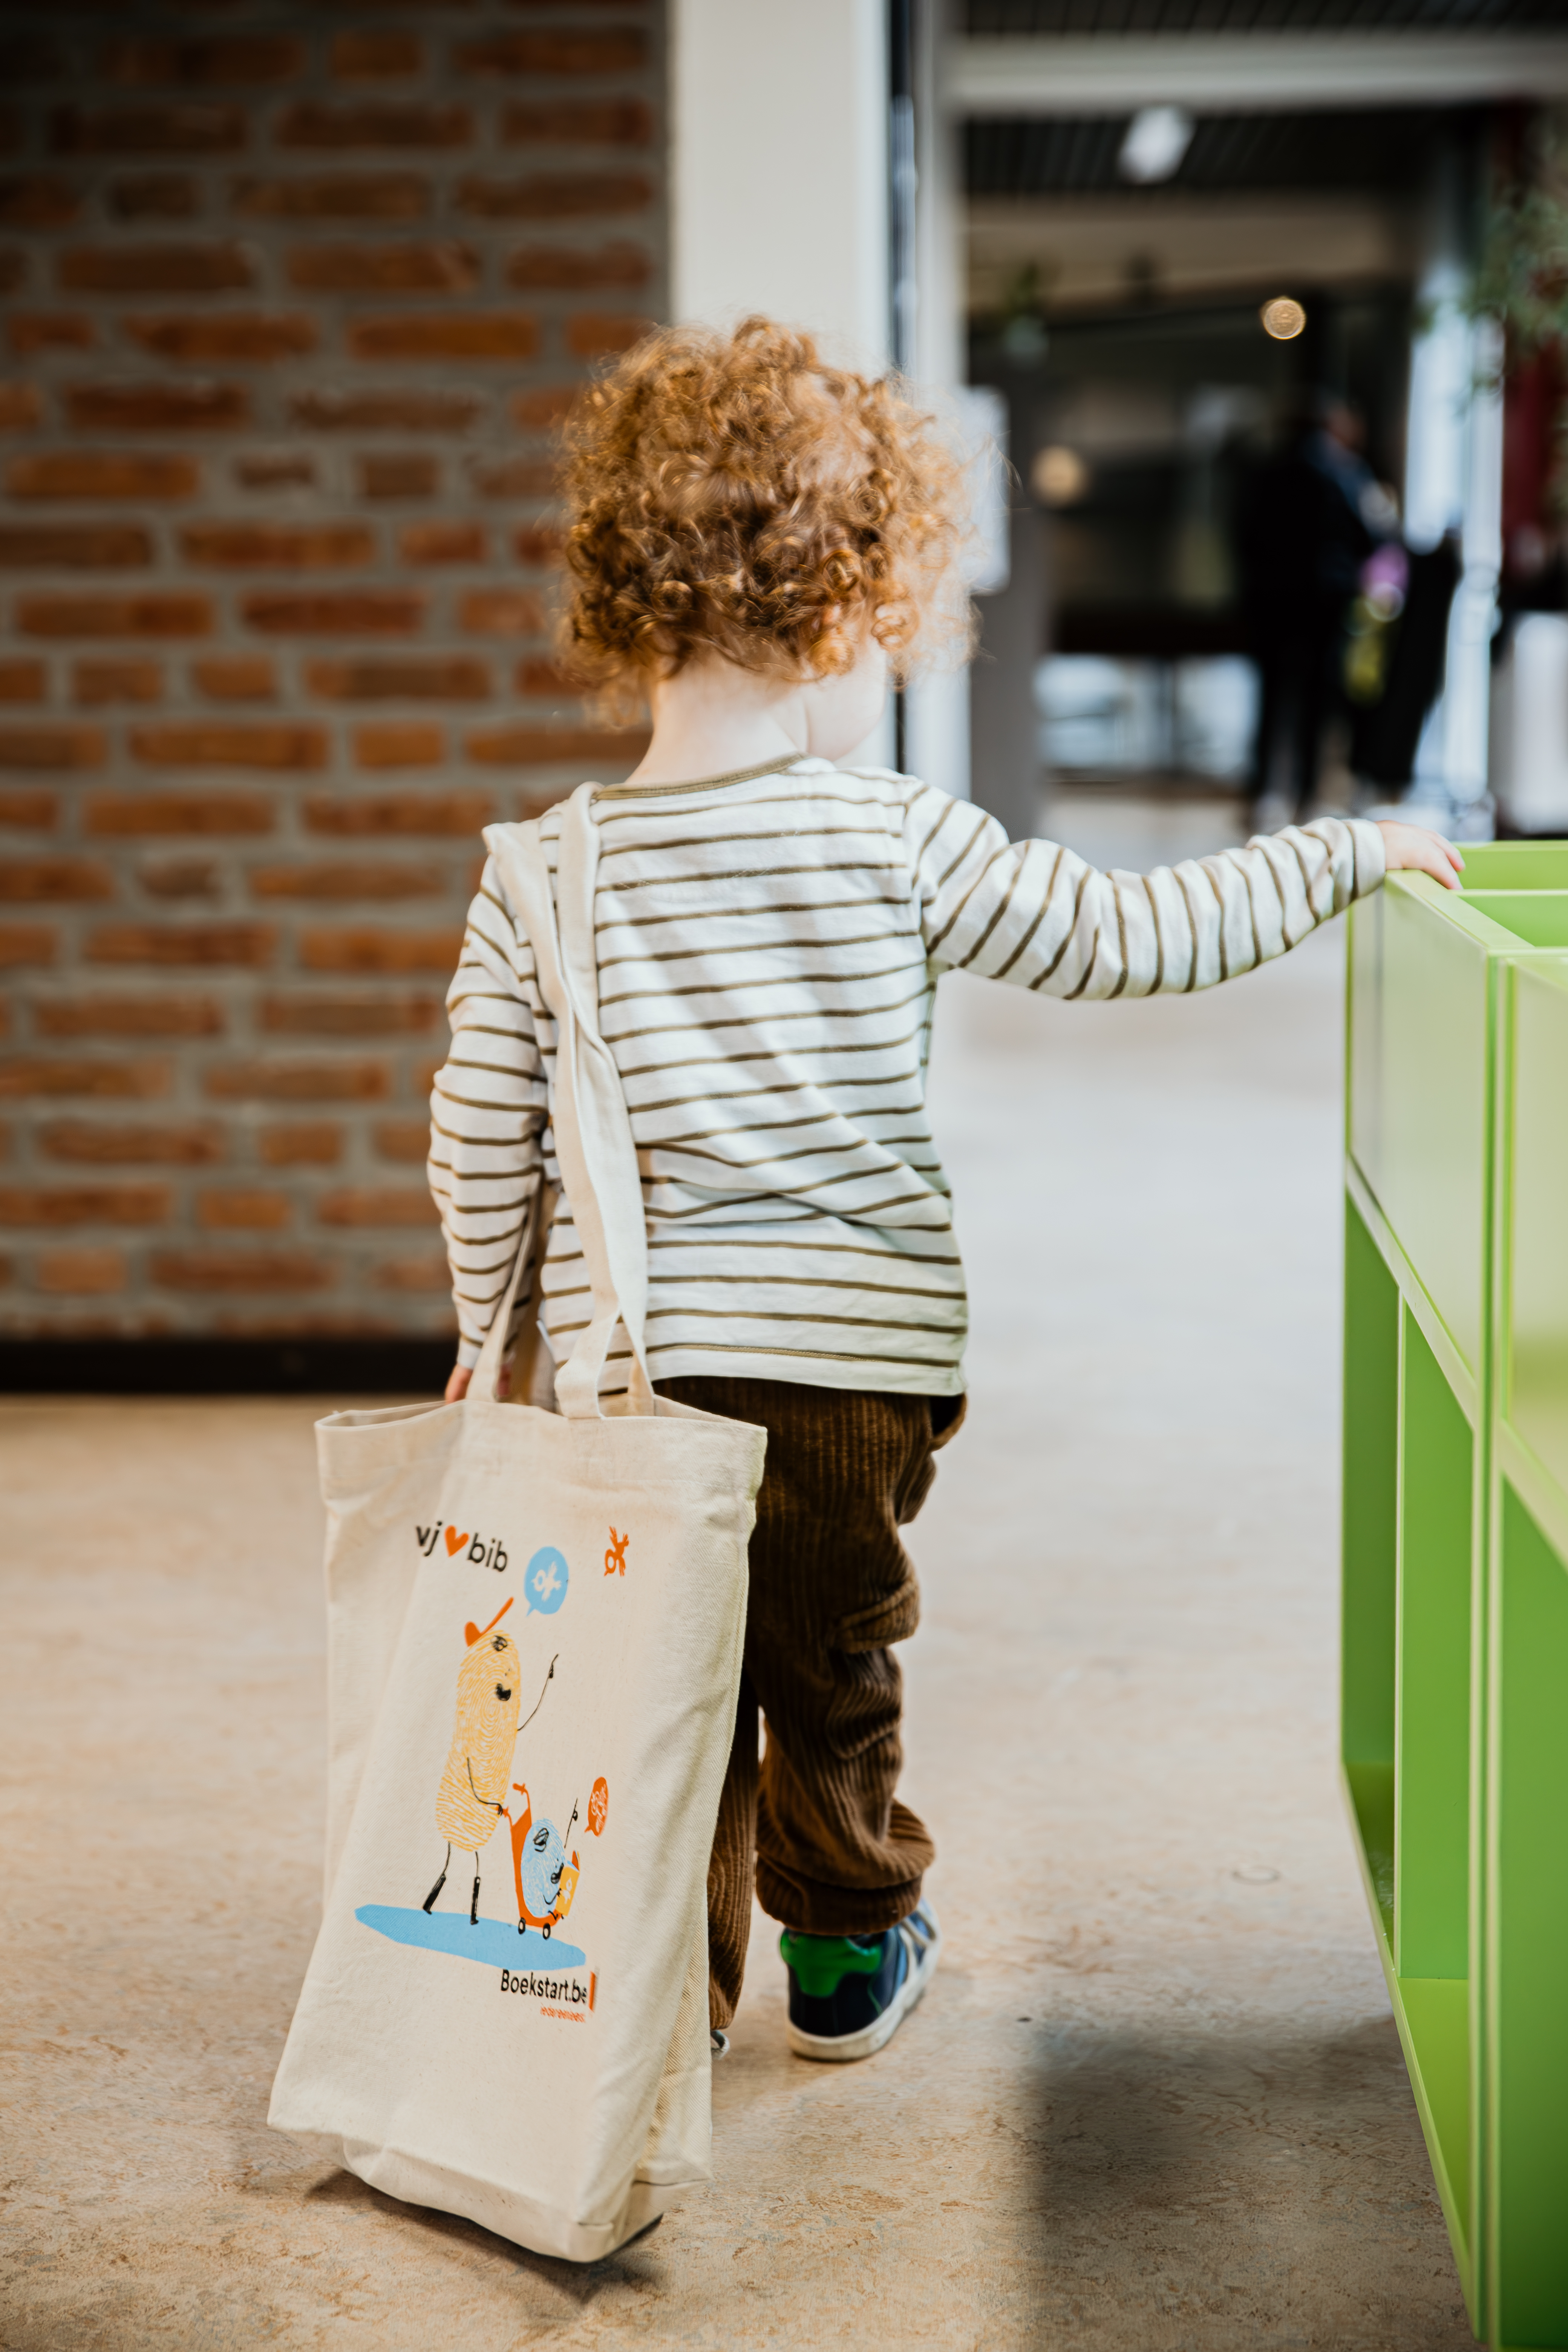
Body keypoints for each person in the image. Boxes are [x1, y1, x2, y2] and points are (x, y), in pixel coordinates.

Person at [430, 319, 1461, 2068]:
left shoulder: (538, 869)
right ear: (850, 612)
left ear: (624, 596)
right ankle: (844, 1953)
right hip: (846, 1378)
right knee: (830, 1656)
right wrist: (1345, 851)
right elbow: (1129, 937)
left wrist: (485, 1330)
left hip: (634, 1371)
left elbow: (479, 1126)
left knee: (656, 1677)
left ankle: (644, 2015)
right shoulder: (894, 831)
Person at [1237, 394, 1394, 822]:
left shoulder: (1265, 474)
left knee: (1271, 699)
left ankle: (1263, 792)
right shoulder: (1346, 473)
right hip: (1325, 604)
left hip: (1272, 603)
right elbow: (1373, 537)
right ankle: (1306, 796)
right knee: (1316, 703)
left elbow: (1244, 537)